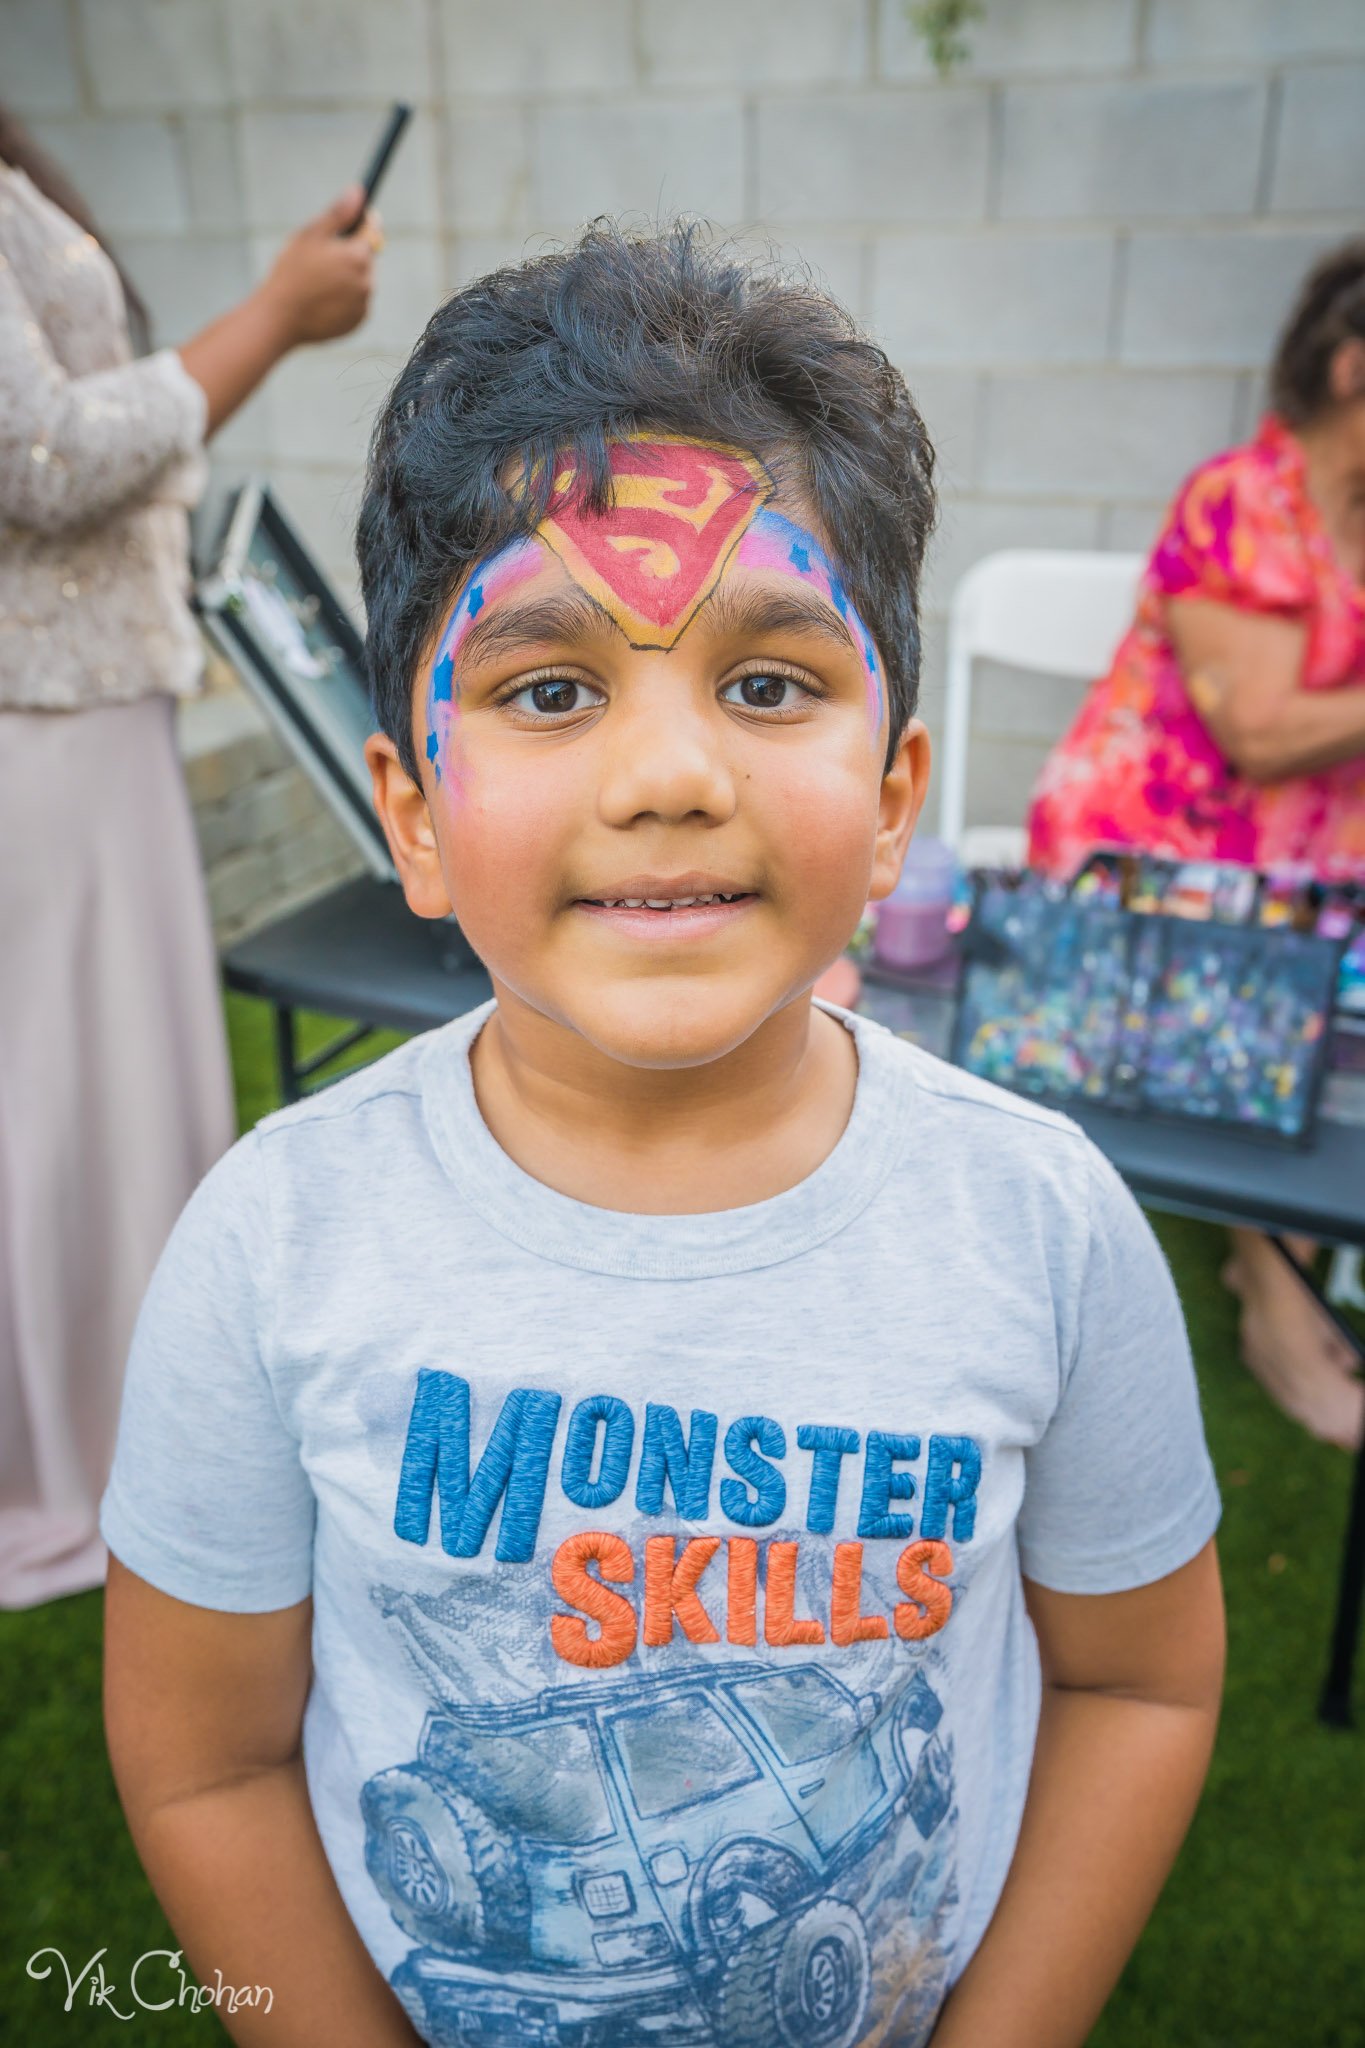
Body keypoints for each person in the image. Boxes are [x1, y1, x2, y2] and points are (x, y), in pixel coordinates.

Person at [99, 225, 1223, 2048]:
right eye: (549, 690)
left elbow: (1144, 1683)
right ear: (417, 815)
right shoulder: (272, 1242)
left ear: (892, 804)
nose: (669, 772)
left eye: (772, 681)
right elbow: (203, 1759)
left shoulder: (1045, 1224)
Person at [0, 110, 382, 1608]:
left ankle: (148, 1412)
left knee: (113, 1082)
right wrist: (276, 318)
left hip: (90, 694)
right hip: (41, 706)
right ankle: (81, 1452)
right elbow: (40, 454)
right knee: (63, 1095)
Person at [1027, 238, 1365, 1453]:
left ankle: (1294, 1247)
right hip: (1157, 849)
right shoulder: (1242, 501)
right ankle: (1275, 1289)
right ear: (1349, 367)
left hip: (1310, 865)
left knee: (1317, 971)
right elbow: (1262, 732)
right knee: (1269, 978)